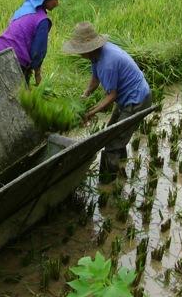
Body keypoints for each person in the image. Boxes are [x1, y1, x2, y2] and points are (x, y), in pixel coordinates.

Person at [63, 22, 151, 182]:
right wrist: (85, 95)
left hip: (136, 100)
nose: (78, 54)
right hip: (128, 97)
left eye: (79, 51)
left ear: (88, 49)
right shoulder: (97, 56)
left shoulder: (107, 63)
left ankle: (107, 184)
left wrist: (89, 113)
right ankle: (121, 164)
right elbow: (95, 79)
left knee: (112, 143)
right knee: (113, 131)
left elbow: (111, 96)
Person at [0, 0, 64, 84]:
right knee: (19, 96)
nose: (57, 3)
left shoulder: (25, 9)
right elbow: (38, 52)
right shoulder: (42, 20)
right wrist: (37, 73)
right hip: (15, 61)